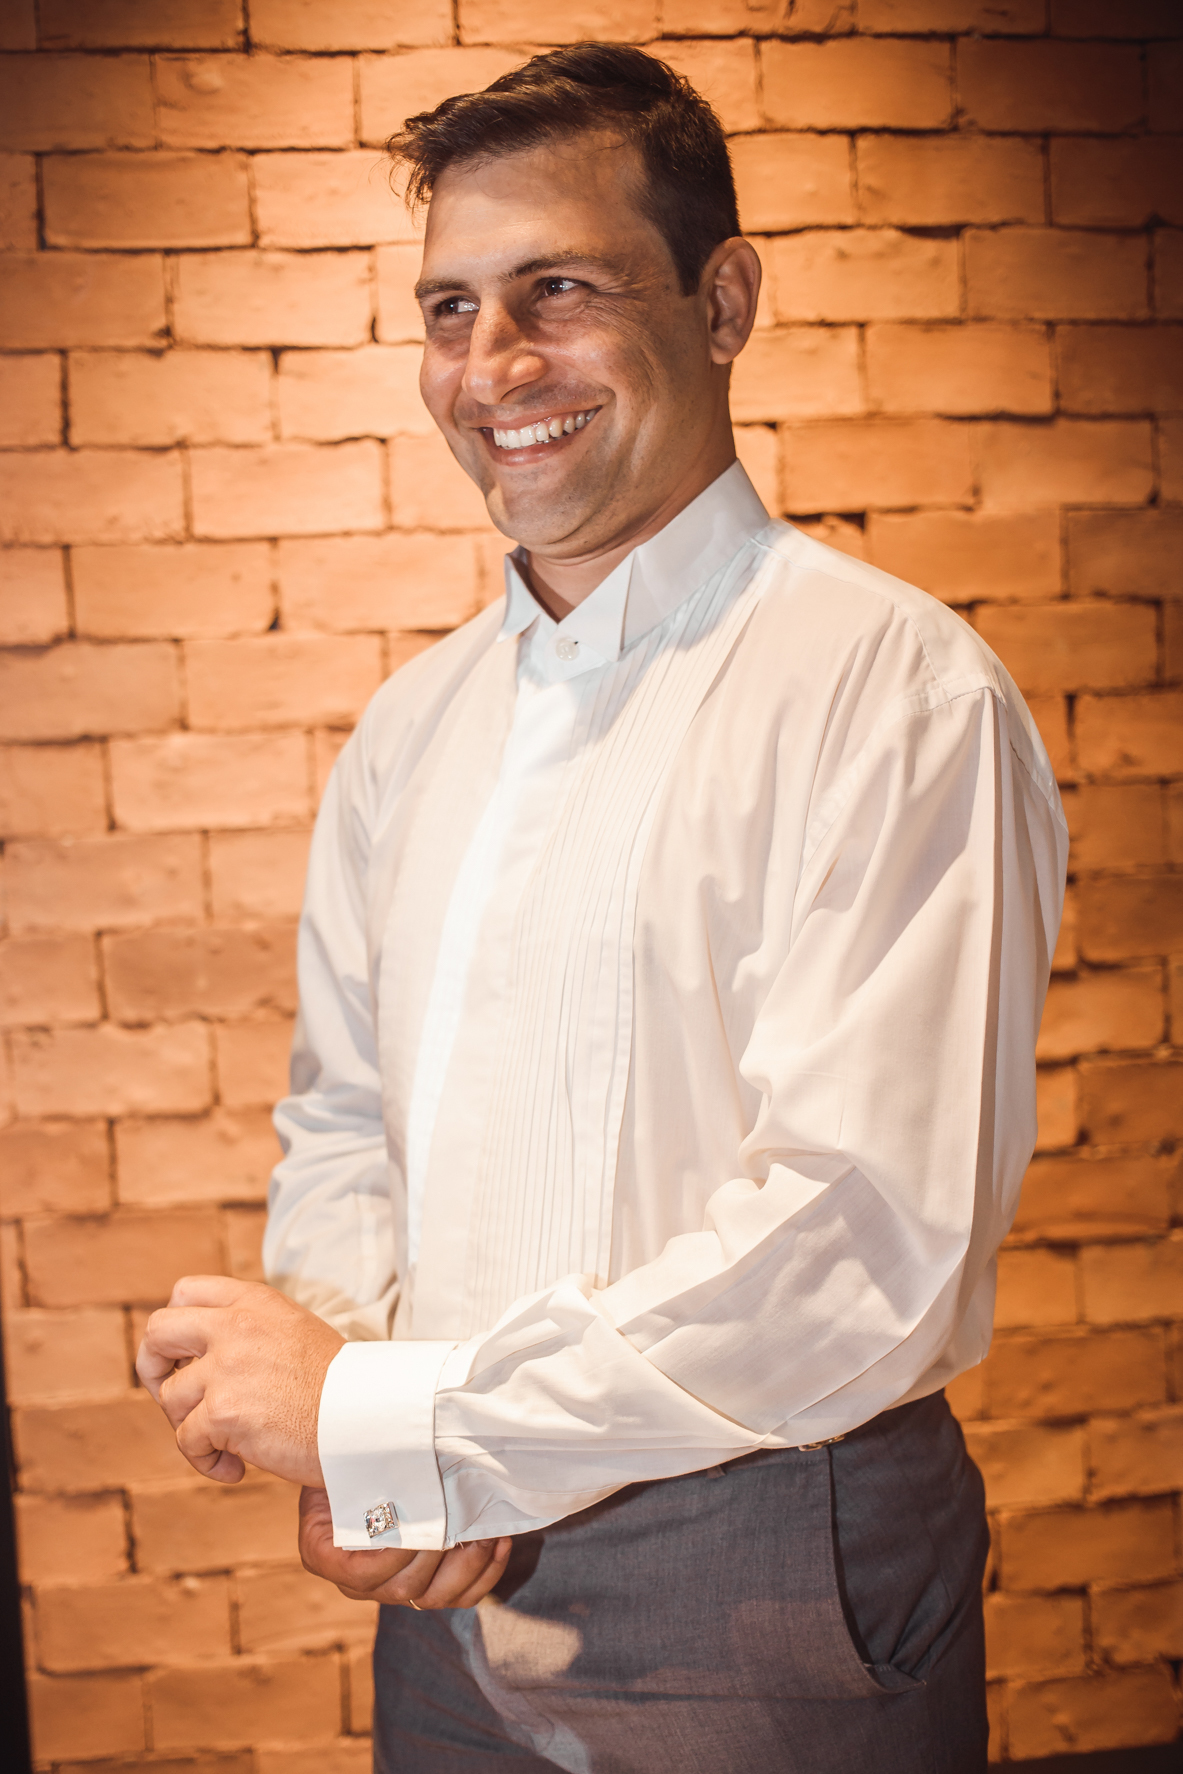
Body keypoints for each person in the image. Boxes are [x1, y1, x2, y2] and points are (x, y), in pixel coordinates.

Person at [138, 43, 1067, 1773]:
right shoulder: (412, 730)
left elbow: (862, 1240)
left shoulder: (896, 693)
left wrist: (397, 1414)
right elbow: (343, 1127)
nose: (493, 367)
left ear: (723, 302)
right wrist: (380, 1448)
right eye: (450, 309)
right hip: (446, 1583)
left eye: (556, 289)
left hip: (767, 1565)